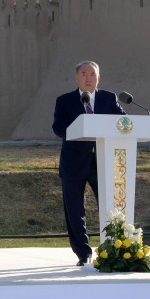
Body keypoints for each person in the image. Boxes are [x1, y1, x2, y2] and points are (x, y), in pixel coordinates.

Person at [52, 60, 125, 266]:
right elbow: (58, 127)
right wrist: (78, 130)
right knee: (75, 212)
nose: (88, 78)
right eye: (84, 74)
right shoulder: (64, 100)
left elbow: (123, 121)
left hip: (102, 162)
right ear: (77, 78)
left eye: (92, 74)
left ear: (99, 78)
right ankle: (83, 254)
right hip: (73, 163)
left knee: (110, 209)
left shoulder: (108, 98)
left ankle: (113, 248)